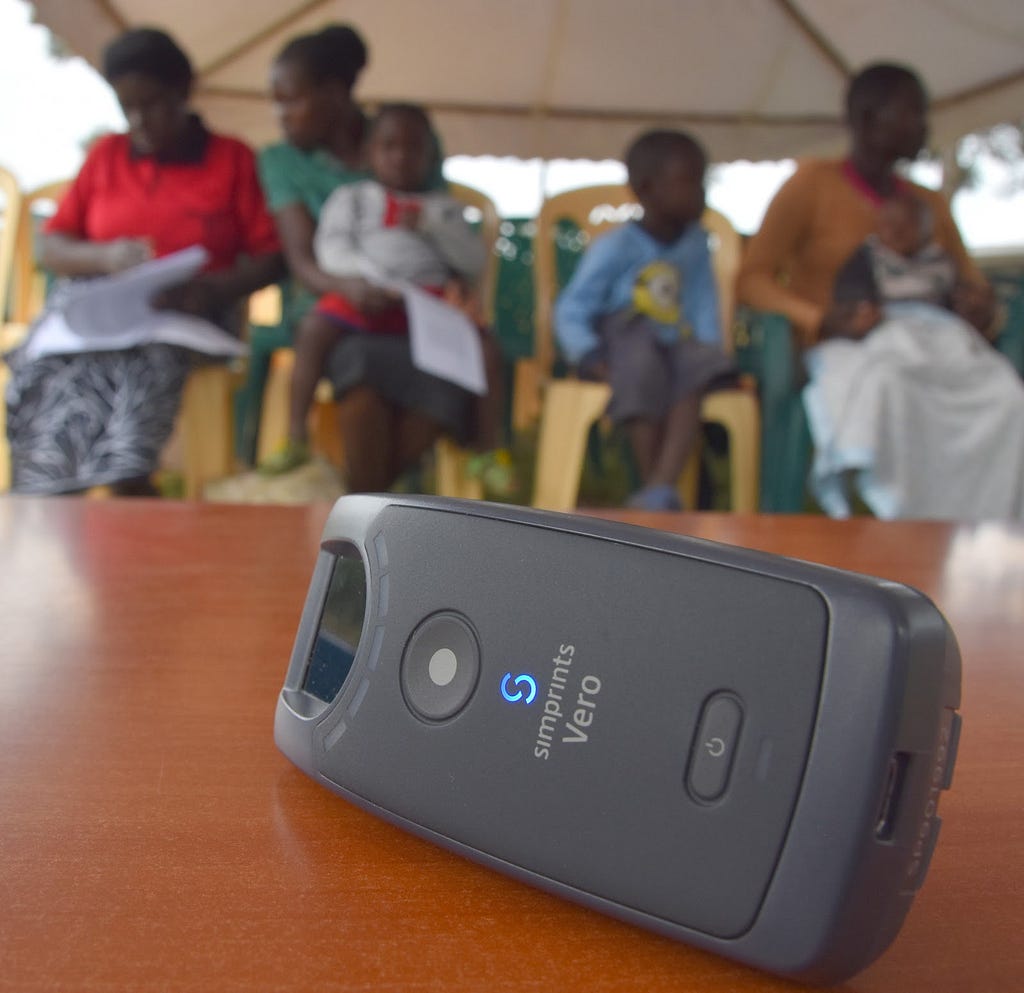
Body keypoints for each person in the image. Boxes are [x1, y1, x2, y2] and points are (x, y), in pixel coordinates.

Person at [737, 62, 1024, 520]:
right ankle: (899, 521)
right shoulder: (810, 185)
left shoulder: (928, 205)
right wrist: (817, 319)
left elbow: (971, 283)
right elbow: (753, 279)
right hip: (847, 344)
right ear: (868, 119)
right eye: (912, 112)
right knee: (885, 385)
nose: (923, 126)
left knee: (1006, 396)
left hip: (934, 343)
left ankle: (985, 533)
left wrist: (979, 308)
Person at [4, 27, 283, 496]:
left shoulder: (230, 159)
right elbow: (52, 246)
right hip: (100, 311)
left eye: (151, 104)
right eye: (126, 107)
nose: (138, 120)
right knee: (46, 367)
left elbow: (272, 257)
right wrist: (104, 256)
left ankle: (129, 483)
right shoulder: (107, 156)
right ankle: (46, 493)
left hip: (189, 313)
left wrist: (211, 290)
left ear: (182, 93)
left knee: (146, 363)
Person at [258, 25, 503, 493]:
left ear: (335, 93)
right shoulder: (285, 162)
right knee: (363, 377)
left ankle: (364, 506)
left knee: (451, 364)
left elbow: (447, 240)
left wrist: (453, 287)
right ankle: (370, 506)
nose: (281, 115)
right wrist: (352, 285)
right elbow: (307, 259)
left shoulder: (406, 137)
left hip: (422, 310)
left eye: (291, 100)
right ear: (375, 153)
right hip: (349, 310)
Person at [553, 129, 734, 511]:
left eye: (703, 181)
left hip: (677, 344)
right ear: (647, 188)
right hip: (624, 337)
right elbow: (572, 307)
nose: (701, 193)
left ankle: (659, 488)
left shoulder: (696, 243)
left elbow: (703, 302)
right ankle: (653, 484)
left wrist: (710, 350)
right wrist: (586, 352)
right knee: (640, 360)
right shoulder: (615, 246)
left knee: (694, 374)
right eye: (689, 182)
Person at [829, 190, 957, 336]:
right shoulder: (868, 258)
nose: (896, 231)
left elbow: (955, 298)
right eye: (889, 224)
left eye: (906, 224)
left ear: (927, 228)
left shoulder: (940, 259)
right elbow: (850, 297)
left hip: (939, 328)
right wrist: (861, 312)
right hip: (886, 329)